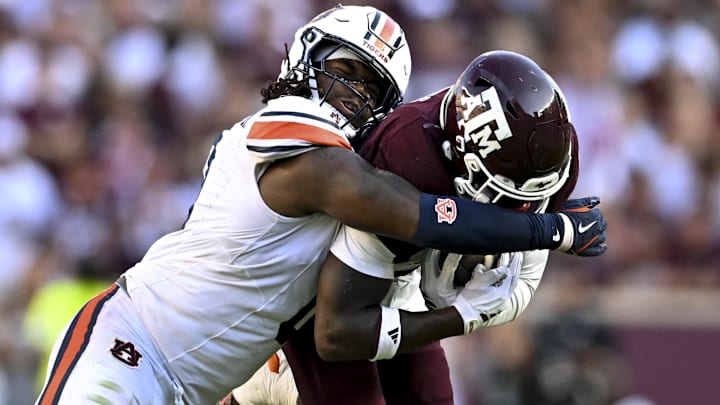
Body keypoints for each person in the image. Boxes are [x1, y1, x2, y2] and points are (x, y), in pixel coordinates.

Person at [36, 5, 606, 404]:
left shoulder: (361, 157)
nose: (352, 95)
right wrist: (546, 231)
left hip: (203, 383)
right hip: (131, 347)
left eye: (371, 90)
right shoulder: (286, 131)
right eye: (344, 72)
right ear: (306, 56)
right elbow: (393, 204)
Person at [232, 50, 595, 405]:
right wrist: (462, 316)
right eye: (504, 199)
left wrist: (537, 236)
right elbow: (336, 333)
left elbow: (523, 228)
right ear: (462, 159)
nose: (514, 214)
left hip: (402, 277)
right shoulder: (407, 164)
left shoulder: (546, 146)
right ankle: (262, 380)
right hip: (325, 292)